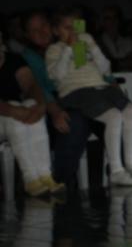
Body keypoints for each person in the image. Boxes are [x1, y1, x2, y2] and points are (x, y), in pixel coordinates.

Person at [45, 8, 132, 187]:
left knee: (131, 111)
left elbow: (105, 69)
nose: (72, 32)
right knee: (114, 116)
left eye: (76, 27)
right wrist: (69, 49)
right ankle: (116, 171)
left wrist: (92, 46)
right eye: (66, 28)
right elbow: (57, 76)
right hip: (76, 91)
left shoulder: (86, 44)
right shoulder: (54, 50)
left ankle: (131, 165)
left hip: (101, 87)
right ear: (55, 30)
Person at [21, 10, 90, 189]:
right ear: (27, 35)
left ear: (52, 27)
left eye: (43, 26)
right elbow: (39, 88)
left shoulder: (68, 44)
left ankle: (119, 169)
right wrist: (55, 111)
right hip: (50, 106)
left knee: (115, 114)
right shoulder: (28, 57)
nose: (41, 32)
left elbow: (89, 68)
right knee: (73, 121)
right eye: (34, 30)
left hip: (83, 97)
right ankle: (60, 180)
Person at [0, 28, 65, 197]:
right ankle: (30, 178)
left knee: (30, 104)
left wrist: (40, 105)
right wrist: (12, 110)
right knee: (14, 108)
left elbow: (31, 85)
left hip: (16, 115)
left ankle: (45, 175)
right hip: (6, 115)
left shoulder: (13, 59)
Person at [98, 6, 132, 71]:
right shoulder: (97, 42)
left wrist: (115, 63)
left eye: (115, 17)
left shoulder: (129, 41)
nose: (113, 21)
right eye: (108, 18)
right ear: (102, 22)